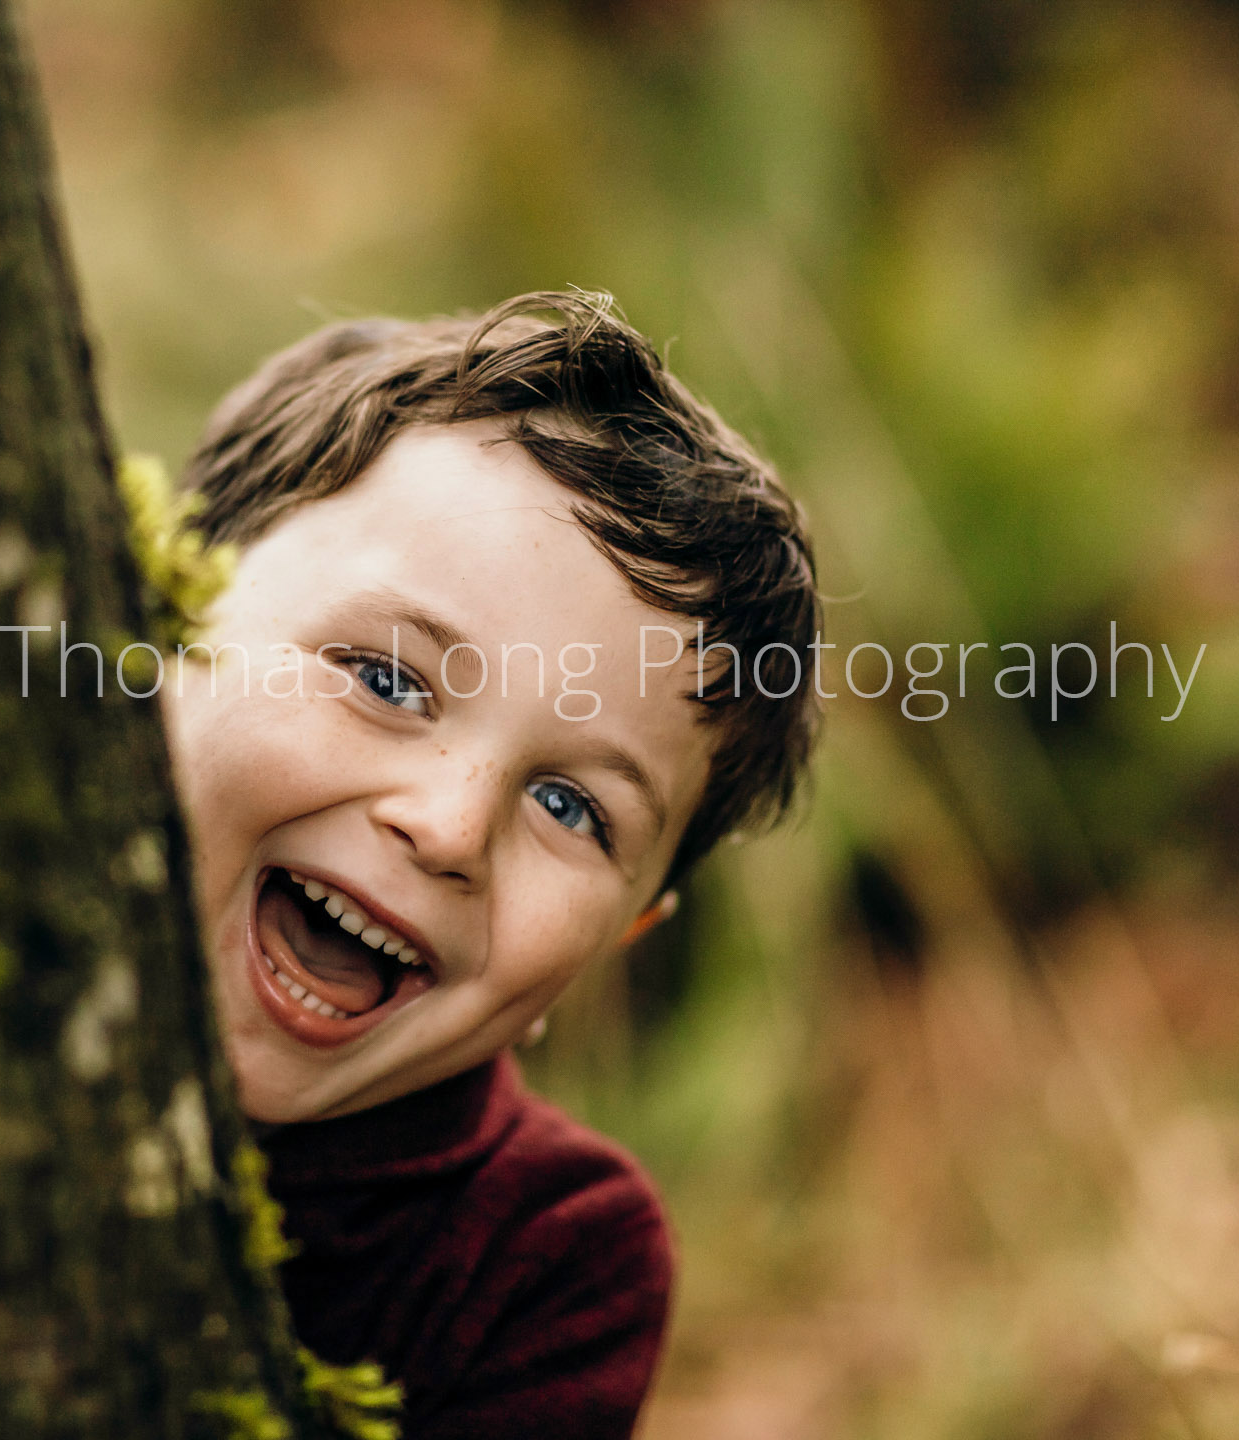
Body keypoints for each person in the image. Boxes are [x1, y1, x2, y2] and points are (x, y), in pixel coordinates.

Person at [159, 290, 819, 1438]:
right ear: (162, 620)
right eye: (388, 679)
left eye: (571, 805)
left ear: (619, 941)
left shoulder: (549, 1261)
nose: (452, 827)